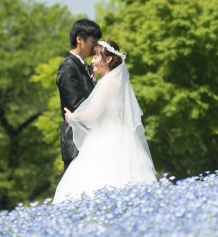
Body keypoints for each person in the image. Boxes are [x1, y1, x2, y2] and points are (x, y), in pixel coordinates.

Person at [53, 40, 157, 202]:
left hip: (107, 137)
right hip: (119, 134)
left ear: (108, 59)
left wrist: (73, 116)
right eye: (93, 57)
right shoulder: (117, 82)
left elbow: (94, 112)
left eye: (96, 57)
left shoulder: (108, 82)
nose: (92, 61)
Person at [57, 20, 102, 173]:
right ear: (79, 39)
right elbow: (77, 105)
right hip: (76, 140)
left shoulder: (85, 66)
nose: (95, 46)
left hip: (90, 136)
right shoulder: (67, 67)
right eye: (93, 41)